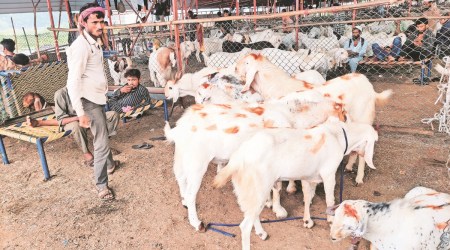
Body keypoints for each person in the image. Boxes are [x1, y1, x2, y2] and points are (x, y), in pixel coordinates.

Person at [66, 2, 118, 201]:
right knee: (101, 141)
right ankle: (102, 186)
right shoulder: (80, 47)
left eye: (101, 21)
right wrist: (80, 113)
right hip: (88, 101)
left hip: (97, 97)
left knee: (102, 132)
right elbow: (73, 81)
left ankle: (111, 165)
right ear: (83, 22)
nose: (100, 26)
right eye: (95, 22)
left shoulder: (93, 42)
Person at [26, 87, 120, 168]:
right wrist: (79, 117)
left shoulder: (85, 89)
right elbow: (61, 120)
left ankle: (103, 146)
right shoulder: (61, 94)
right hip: (71, 120)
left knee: (113, 115)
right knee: (76, 125)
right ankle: (87, 155)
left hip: (88, 116)